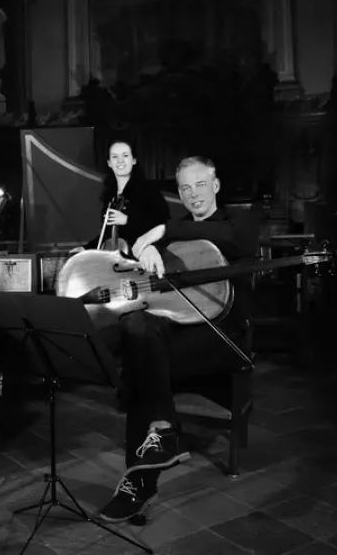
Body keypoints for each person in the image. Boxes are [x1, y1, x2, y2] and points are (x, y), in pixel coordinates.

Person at [97, 156, 259, 523]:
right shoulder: (175, 229)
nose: (193, 194)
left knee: (142, 366)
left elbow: (233, 238)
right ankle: (161, 435)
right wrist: (146, 248)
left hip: (222, 337)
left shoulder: (239, 221)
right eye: (185, 188)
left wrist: (162, 231)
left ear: (215, 185)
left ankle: (140, 484)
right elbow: (140, 255)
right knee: (138, 327)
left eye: (200, 185)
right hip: (177, 330)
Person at [70, 140, 170, 256]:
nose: (120, 160)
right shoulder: (111, 196)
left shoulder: (149, 191)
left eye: (125, 155)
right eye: (115, 157)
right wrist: (85, 248)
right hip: (116, 262)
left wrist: (127, 220)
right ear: (109, 163)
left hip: (141, 259)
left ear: (134, 160)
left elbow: (163, 225)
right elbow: (107, 236)